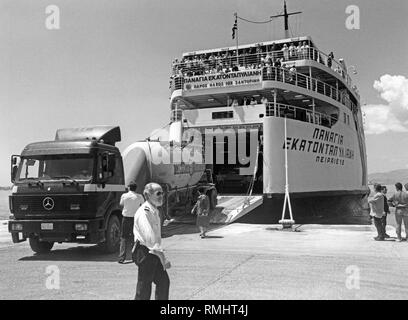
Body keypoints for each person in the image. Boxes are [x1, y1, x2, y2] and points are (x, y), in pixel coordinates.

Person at [132, 183, 170, 300]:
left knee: (163, 282)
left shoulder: (154, 210)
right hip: (146, 252)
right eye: (158, 193)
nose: (161, 196)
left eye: (162, 193)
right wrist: (163, 258)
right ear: (147, 195)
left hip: (153, 252)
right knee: (144, 288)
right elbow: (150, 239)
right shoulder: (145, 212)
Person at [118, 182, 144, 263]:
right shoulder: (139, 196)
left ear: (129, 188)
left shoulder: (124, 196)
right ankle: (134, 257)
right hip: (136, 219)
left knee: (123, 237)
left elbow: (121, 204)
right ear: (136, 188)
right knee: (135, 237)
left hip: (126, 218)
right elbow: (143, 205)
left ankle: (121, 258)